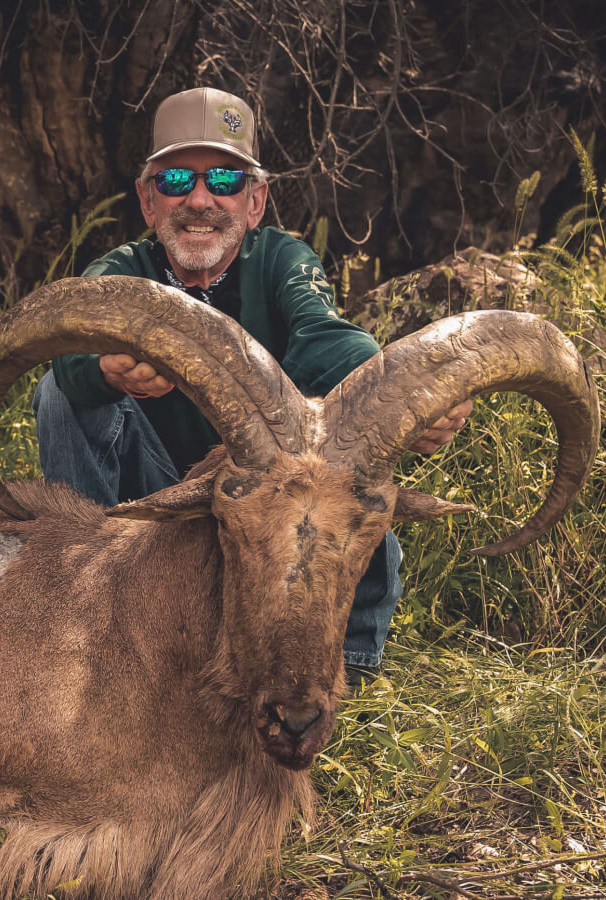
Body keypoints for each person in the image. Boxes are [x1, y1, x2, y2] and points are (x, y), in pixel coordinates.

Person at [32, 87, 472, 679]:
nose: (199, 199)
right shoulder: (120, 273)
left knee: (353, 500)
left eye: (224, 180)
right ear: (146, 200)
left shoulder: (283, 260)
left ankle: (354, 671)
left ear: (256, 200)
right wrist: (104, 369)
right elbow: (72, 344)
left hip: (270, 498)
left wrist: (405, 402)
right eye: (175, 181)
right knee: (58, 394)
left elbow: (325, 335)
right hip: (152, 503)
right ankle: (79, 615)